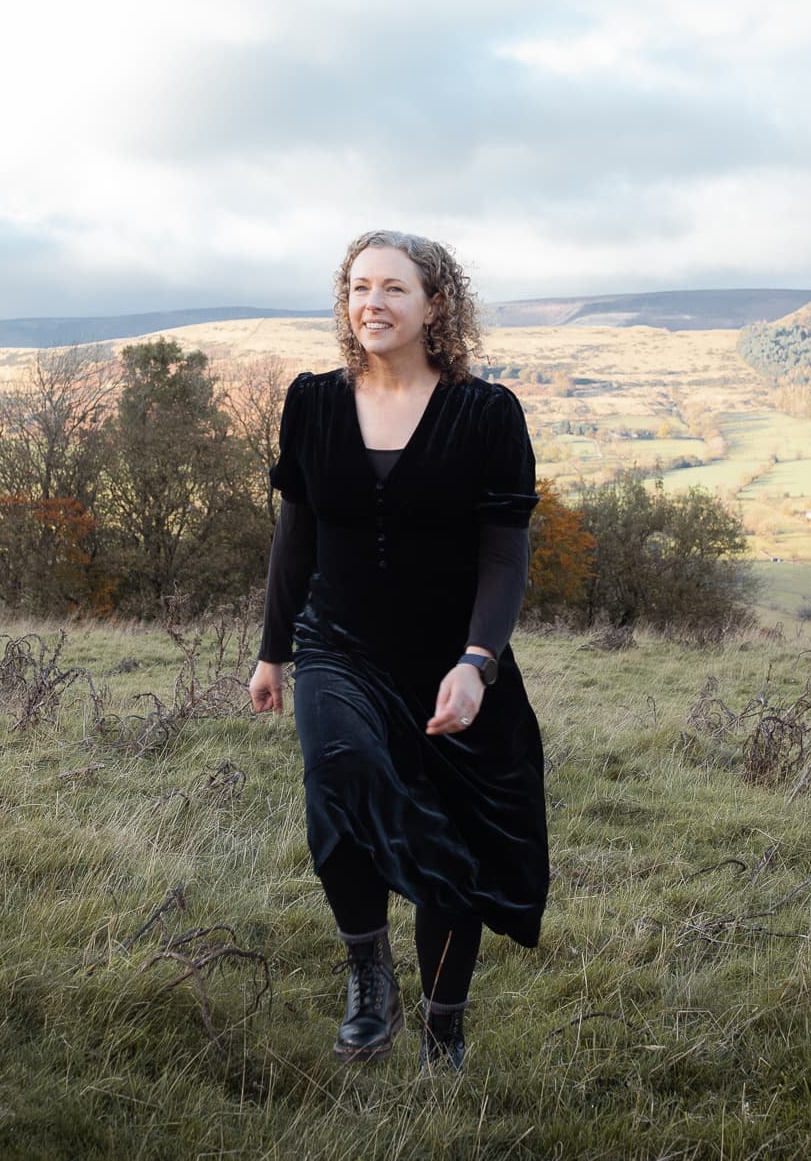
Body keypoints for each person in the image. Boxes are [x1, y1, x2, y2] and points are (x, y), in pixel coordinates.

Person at [248, 229, 547, 1072]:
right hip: (335, 644)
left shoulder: (486, 414)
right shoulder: (311, 402)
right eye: (358, 286)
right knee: (340, 777)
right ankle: (367, 969)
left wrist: (477, 661)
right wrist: (274, 651)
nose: (372, 302)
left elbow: (503, 552)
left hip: (448, 660)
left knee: (453, 838)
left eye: (394, 288)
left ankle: (443, 1023)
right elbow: (294, 535)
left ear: (435, 305)